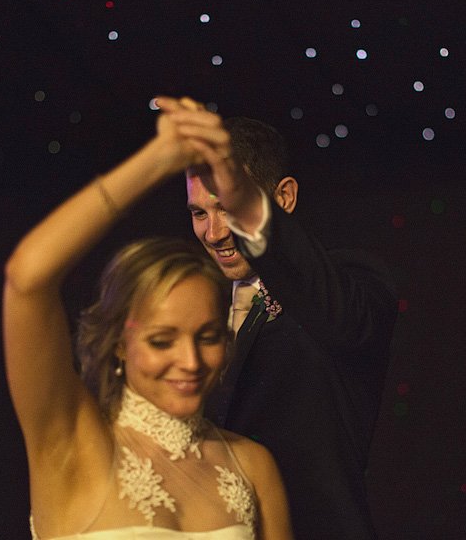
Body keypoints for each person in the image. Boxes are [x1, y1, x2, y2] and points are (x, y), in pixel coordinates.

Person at [2, 99, 293, 540]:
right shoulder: (72, 444)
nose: (191, 361)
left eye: (209, 337)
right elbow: (27, 279)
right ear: (120, 340)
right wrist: (157, 161)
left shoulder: (252, 466)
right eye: (162, 341)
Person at [159, 100, 398, 539]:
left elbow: (344, 320)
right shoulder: (194, 306)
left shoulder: (350, 283)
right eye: (199, 213)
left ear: (282, 196)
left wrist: (245, 201)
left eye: (227, 206)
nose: (214, 233)